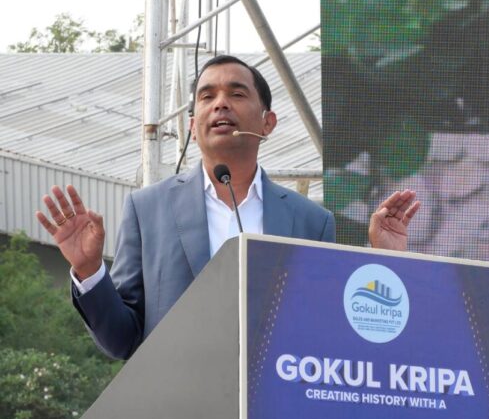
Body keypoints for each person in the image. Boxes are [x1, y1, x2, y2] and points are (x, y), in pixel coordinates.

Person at [35, 54, 420, 360]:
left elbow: (329, 336)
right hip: (178, 415)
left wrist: (385, 264)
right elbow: (122, 340)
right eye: (207, 97)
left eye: (236, 94)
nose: (220, 104)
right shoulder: (147, 209)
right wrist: (89, 271)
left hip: (276, 410)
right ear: (192, 126)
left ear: (267, 123)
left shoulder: (311, 221)